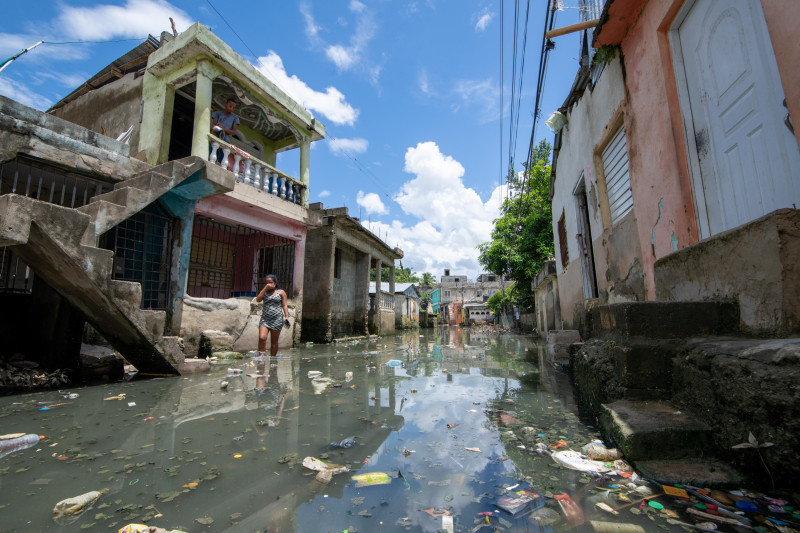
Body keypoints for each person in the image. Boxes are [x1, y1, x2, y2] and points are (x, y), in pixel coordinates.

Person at [256, 274, 290, 357]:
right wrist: (265, 288)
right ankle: (261, 358)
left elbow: (284, 305)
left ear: (275, 283)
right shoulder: (264, 292)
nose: (268, 284)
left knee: (274, 341)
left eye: (270, 282)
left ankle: (273, 359)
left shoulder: (281, 292)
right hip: (265, 319)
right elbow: (258, 299)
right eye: (266, 283)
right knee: (262, 338)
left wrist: (286, 316)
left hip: (277, 319)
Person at [210, 99, 239, 163]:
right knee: (210, 158)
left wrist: (223, 128)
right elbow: (213, 126)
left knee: (221, 161)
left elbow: (234, 132)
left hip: (225, 142)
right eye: (230, 106)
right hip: (215, 138)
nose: (231, 108)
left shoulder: (235, 118)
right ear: (226, 104)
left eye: (233, 107)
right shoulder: (217, 113)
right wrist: (217, 127)